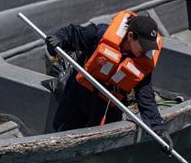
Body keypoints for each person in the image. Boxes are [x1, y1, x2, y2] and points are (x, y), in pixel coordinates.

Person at [43, 11, 171, 149]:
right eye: (143, 45)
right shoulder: (100, 34)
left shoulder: (142, 61)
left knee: (101, 144)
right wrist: (58, 39)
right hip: (78, 94)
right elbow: (73, 33)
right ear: (130, 36)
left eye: (149, 46)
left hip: (107, 105)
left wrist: (159, 128)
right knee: (63, 133)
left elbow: (146, 97)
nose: (146, 50)